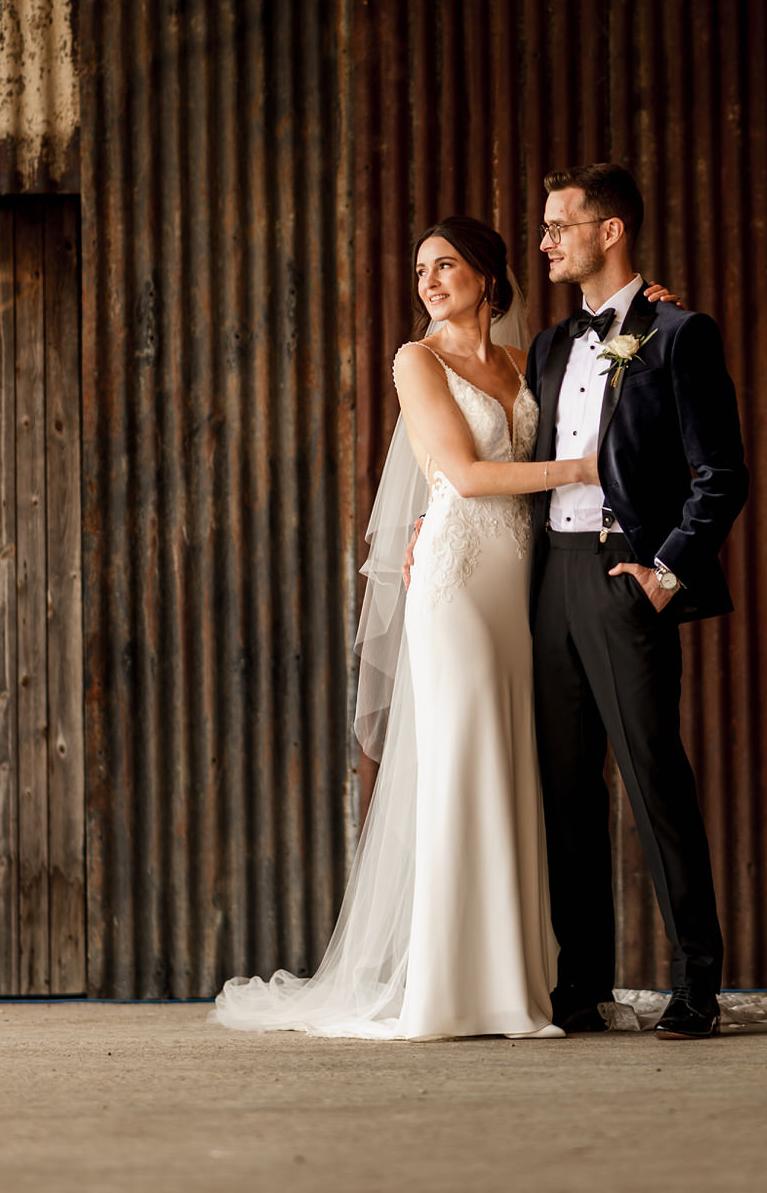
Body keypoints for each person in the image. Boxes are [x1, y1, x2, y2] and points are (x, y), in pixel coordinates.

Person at [211, 216, 595, 1040]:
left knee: (508, 760)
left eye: (445, 265)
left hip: (515, 580)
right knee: (460, 757)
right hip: (453, 580)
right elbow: (459, 471)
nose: (427, 280)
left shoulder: (528, 366)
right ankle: (449, 987)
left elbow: (586, 399)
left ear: (489, 278)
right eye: (421, 268)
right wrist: (584, 469)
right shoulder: (414, 360)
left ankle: (511, 978)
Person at [525, 163, 749, 1040]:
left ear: (609, 230)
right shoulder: (547, 346)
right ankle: (581, 986)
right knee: (566, 790)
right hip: (550, 580)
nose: (546, 241)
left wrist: (665, 572)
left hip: (626, 577)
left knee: (657, 781)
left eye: (559, 225)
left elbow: (721, 474)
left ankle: (698, 985)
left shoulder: (681, 334)